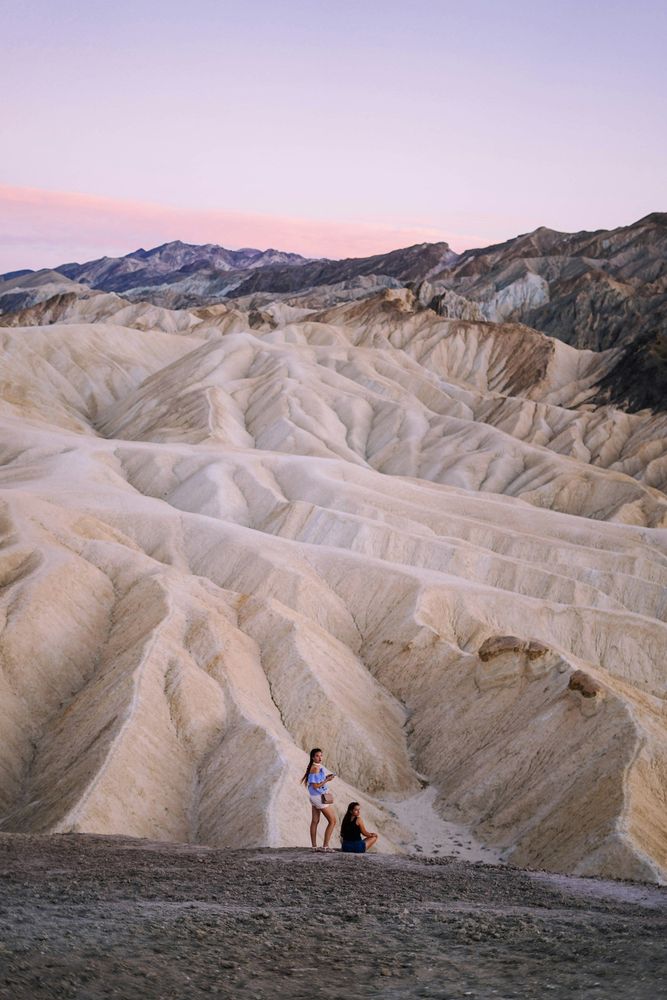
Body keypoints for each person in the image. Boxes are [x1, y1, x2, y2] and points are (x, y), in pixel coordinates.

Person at [301, 747, 337, 851]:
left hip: (314, 797)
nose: (320, 757)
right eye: (317, 755)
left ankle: (314, 847)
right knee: (332, 821)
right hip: (318, 797)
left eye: (321, 755)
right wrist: (327, 780)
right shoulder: (315, 768)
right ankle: (325, 846)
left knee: (315, 821)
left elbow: (317, 783)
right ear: (312, 757)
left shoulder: (316, 766)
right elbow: (316, 786)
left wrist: (327, 778)